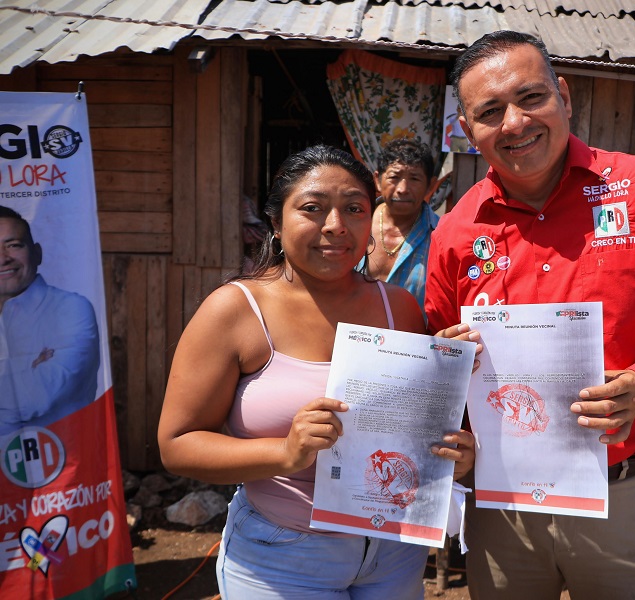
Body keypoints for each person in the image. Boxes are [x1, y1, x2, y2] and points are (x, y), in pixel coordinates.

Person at [425, 31, 635, 599]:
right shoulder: (455, 231)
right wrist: (449, 354)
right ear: (468, 130)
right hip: (504, 508)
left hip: (629, 497)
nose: (515, 123)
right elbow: (439, 355)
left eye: (531, 97)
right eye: (490, 112)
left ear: (564, 97)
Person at [157, 145, 478, 599]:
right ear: (275, 220)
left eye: (353, 209)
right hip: (283, 555)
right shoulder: (234, 311)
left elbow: (411, 430)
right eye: (312, 208)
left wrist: (451, 452)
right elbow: (177, 445)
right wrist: (285, 453)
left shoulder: (398, 308)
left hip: (394, 553)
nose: (335, 226)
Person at [0, 205, 100, 436]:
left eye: (14, 245)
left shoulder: (71, 308)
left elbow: (41, 395)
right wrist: (28, 367)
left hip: (63, 462)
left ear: (37, 253)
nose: (3, 258)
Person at [363, 138, 439, 309]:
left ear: (430, 185)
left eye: (414, 178)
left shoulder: (442, 236)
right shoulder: (352, 225)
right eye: (394, 177)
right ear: (377, 180)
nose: (403, 189)